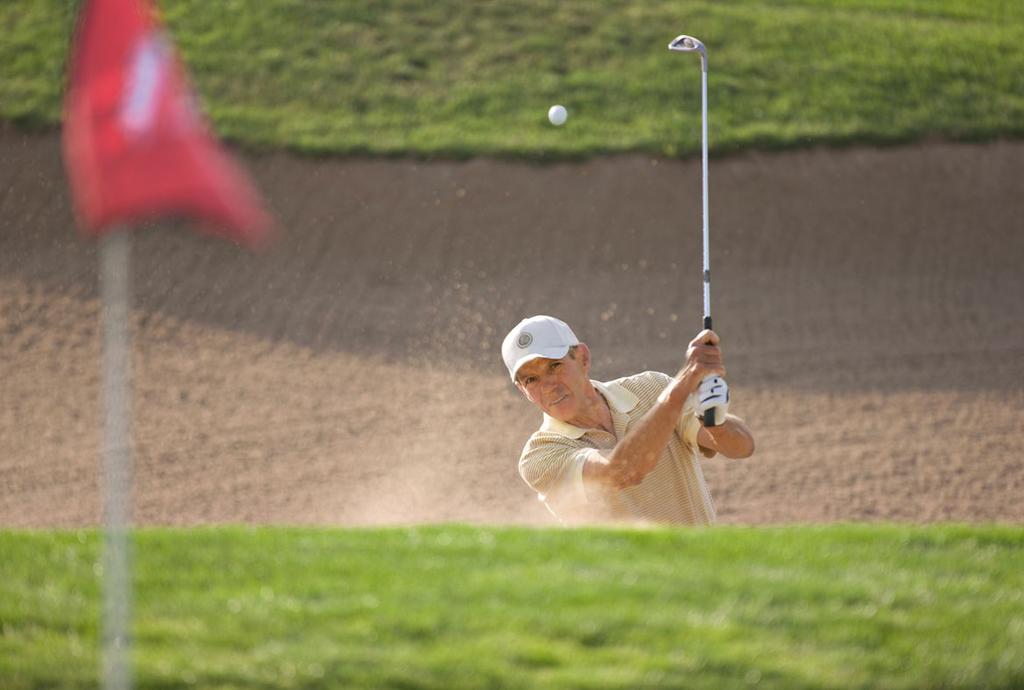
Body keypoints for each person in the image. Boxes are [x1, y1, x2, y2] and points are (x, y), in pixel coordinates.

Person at [502, 315, 754, 525]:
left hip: (705, 568)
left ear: (583, 358)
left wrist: (716, 422)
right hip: (628, 583)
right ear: (523, 391)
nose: (548, 387)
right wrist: (682, 387)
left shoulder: (652, 387)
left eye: (554, 366)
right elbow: (622, 471)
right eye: (530, 380)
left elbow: (742, 447)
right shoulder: (540, 456)